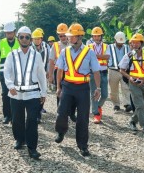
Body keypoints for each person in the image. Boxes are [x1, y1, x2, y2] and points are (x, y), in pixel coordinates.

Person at [54, 23, 101, 157]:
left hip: (83, 89)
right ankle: (60, 132)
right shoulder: (65, 51)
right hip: (67, 86)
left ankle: (82, 146)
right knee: (62, 112)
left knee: (83, 118)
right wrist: (58, 87)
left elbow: (96, 71)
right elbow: (60, 70)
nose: (68, 38)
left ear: (79, 37)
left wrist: (97, 88)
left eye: (71, 36)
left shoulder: (89, 52)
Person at [4, 26, 48, 159]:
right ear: (18, 39)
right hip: (16, 94)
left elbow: (41, 74)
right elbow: (7, 71)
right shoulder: (12, 55)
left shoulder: (37, 56)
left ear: (30, 40)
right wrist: (10, 85)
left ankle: (32, 148)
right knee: (17, 120)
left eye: (27, 37)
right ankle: (19, 139)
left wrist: (43, 93)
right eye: (21, 37)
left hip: (33, 94)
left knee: (32, 121)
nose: (24, 39)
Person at [119, 33, 144, 138]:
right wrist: (129, 77)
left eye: (136, 43)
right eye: (132, 43)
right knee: (139, 106)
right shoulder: (128, 56)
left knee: (143, 107)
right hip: (134, 84)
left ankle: (132, 121)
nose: (134, 45)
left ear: (142, 43)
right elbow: (121, 70)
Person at [0, 21, 19, 124]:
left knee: (16, 95)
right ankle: (7, 116)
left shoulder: (20, 42)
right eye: (7, 33)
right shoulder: (1, 43)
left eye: (11, 32)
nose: (9, 34)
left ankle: (15, 116)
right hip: (4, 74)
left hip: (17, 74)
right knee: (5, 95)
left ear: (14, 32)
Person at [88, 27, 110, 124]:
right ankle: (96, 113)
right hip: (93, 73)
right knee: (94, 93)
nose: (97, 38)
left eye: (98, 36)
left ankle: (98, 107)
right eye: (95, 36)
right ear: (92, 37)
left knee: (104, 95)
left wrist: (94, 56)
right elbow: (103, 56)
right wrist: (101, 56)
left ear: (101, 36)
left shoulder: (106, 46)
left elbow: (107, 56)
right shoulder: (88, 46)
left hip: (104, 72)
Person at [107, 31, 131, 112]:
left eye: (122, 42)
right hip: (113, 71)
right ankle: (116, 105)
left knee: (126, 88)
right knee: (114, 89)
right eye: (119, 41)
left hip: (124, 71)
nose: (120, 43)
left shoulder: (127, 47)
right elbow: (107, 58)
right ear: (115, 40)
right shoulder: (109, 47)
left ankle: (127, 104)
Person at [32, 28, 52, 123]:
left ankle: (39, 110)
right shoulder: (29, 47)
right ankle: (36, 114)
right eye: (35, 39)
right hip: (32, 74)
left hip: (43, 73)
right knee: (34, 93)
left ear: (41, 38)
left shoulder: (46, 47)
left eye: (38, 38)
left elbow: (48, 60)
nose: (37, 40)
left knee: (42, 92)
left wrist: (48, 71)